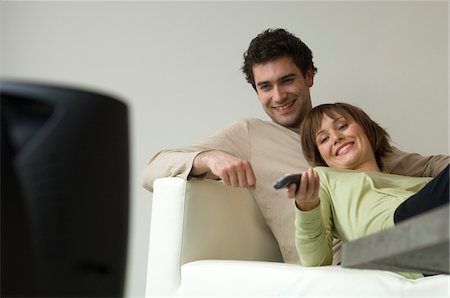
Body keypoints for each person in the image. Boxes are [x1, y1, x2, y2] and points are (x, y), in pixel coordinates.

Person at [142, 28, 449, 265]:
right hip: (345, 257)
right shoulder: (249, 134)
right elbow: (153, 168)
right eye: (265, 86)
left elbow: (428, 166)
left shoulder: (351, 140)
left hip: (398, 235)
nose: (278, 96)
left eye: (287, 80)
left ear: (309, 77)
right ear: (257, 91)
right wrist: (210, 158)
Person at [288, 102, 449, 278]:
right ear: (320, 156)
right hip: (400, 233)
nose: (336, 137)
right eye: (324, 139)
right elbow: (316, 262)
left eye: (342, 126)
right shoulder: (323, 178)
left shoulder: (409, 179)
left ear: (365, 129)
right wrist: (307, 207)